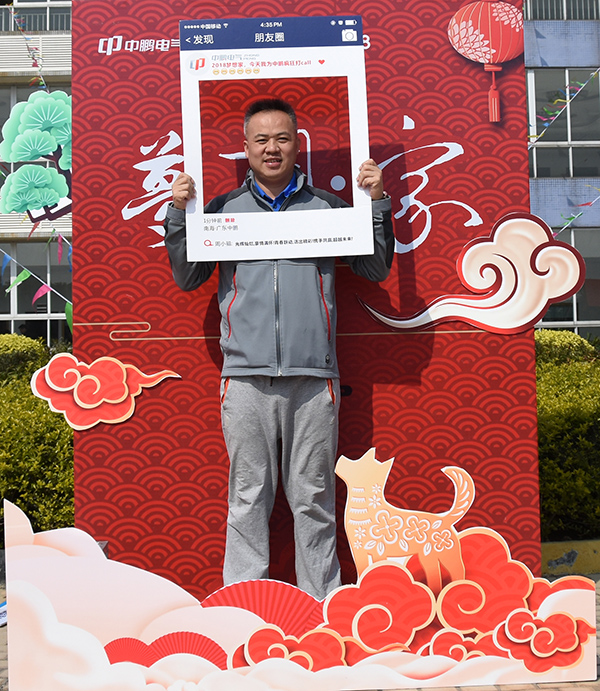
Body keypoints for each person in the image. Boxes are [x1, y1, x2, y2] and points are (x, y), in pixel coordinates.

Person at [164, 98, 394, 599]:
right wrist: (179, 213)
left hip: (314, 378)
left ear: (297, 145)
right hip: (245, 377)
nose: (272, 148)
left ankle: (322, 607)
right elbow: (188, 276)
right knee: (248, 498)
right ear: (245, 148)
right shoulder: (221, 209)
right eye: (262, 139)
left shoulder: (328, 208)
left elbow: (375, 267)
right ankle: (244, 605)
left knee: (313, 499)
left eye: (283, 138)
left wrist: (377, 202)